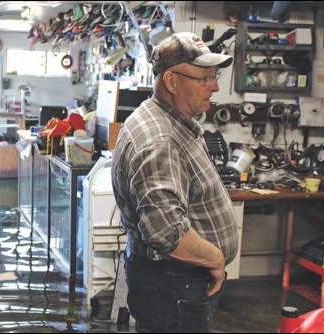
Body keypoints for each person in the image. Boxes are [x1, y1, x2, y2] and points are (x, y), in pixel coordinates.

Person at [111, 32, 239, 333]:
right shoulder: (160, 140)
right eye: (205, 78)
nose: (215, 86)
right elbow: (168, 234)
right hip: (174, 283)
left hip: (174, 282)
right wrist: (216, 261)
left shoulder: (169, 120)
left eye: (214, 76)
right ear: (172, 81)